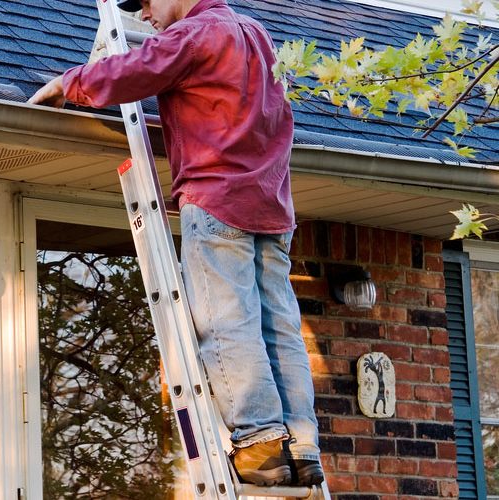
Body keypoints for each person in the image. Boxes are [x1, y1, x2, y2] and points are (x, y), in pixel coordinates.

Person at [28, 0, 324, 488]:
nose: (143, 15)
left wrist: (70, 82)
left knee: (228, 323)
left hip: (218, 199)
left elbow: (139, 68)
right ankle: (302, 444)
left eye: (145, 2)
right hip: (271, 207)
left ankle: (259, 444)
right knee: (279, 327)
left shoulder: (198, 33)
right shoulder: (258, 36)